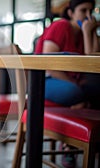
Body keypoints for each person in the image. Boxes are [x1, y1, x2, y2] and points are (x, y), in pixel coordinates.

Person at [34, 0, 100, 167]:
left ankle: (72, 145)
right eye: (83, 10)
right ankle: (70, 146)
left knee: (88, 93)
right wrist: (76, 85)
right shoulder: (61, 26)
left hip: (70, 84)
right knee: (80, 93)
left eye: (90, 11)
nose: (87, 16)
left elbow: (92, 64)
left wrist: (88, 33)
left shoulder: (87, 33)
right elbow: (48, 64)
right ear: (71, 13)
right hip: (45, 81)